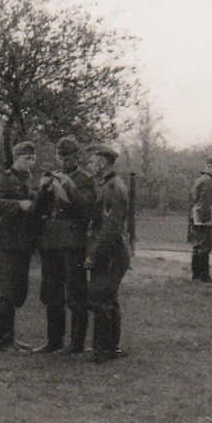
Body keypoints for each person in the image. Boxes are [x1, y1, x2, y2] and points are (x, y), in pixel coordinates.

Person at [32, 136, 97, 355]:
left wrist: (69, 187)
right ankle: (54, 341)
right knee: (51, 293)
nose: (62, 162)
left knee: (75, 293)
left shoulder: (85, 179)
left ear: (76, 157)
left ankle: (76, 343)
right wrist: (43, 190)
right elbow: (38, 210)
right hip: (50, 242)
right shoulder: (51, 176)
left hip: (72, 242)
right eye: (59, 157)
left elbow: (85, 209)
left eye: (67, 158)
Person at [0, 141, 37, 353]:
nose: (31, 162)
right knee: (6, 292)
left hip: (21, 245)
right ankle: (5, 342)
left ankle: (9, 337)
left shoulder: (27, 180)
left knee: (17, 293)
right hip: (5, 243)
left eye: (33, 158)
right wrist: (17, 205)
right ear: (17, 159)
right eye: (27, 158)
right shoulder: (5, 179)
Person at [84, 144, 131, 363]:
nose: (89, 166)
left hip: (110, 253)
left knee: (101, 297)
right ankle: (109, 347)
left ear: (102, 164)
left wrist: (93, 255)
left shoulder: (112, 188)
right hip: (111, 251)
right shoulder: (109, 184)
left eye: (92, 162)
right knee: (108, 298)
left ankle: (102, 350)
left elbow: (110, 228)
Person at [188, 156, 212, 282]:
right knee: (205, 245)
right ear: (209, 167)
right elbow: (205, 201)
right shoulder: (207, 181)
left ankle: (196, 275)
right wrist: (207, 219)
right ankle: (203, 275)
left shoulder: (200, 179)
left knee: (198, 246)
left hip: (195, 215)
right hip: (202, 216)